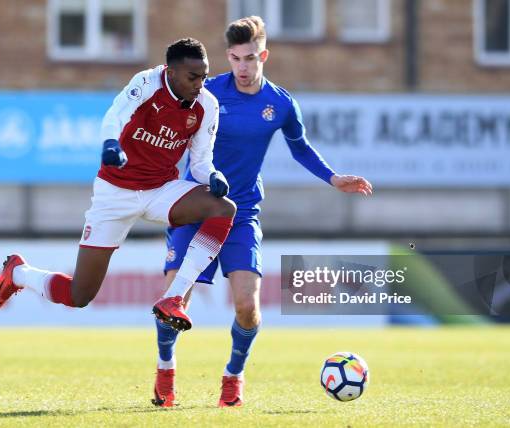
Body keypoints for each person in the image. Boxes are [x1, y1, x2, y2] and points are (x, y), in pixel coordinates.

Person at [152, 17, 373, 408]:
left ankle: (233, 377)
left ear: (263, 56)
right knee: (173, 301)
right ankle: (165, 369)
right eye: (235, 58)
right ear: (228, 57)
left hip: (241, 212)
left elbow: (300, 147)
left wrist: (332, 177)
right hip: (196, 205)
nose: (242, 66)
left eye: (250, 58)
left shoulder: (281, 103)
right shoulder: (207, 92)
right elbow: (173, 128)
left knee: (248, 307)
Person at [0, 38, 236, 333]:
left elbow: (200, 162)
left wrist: (213, 176)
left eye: (204, 77)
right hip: (115, 194)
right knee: (79, 295)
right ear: (170, 72)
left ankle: (174, 297)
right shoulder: (147, 83)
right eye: (192, 77)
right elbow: (115, 115)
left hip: (160, 190)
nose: (199, 84)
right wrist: (110, 144)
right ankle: (18, 273)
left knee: (222, 208)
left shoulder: (207, 105)